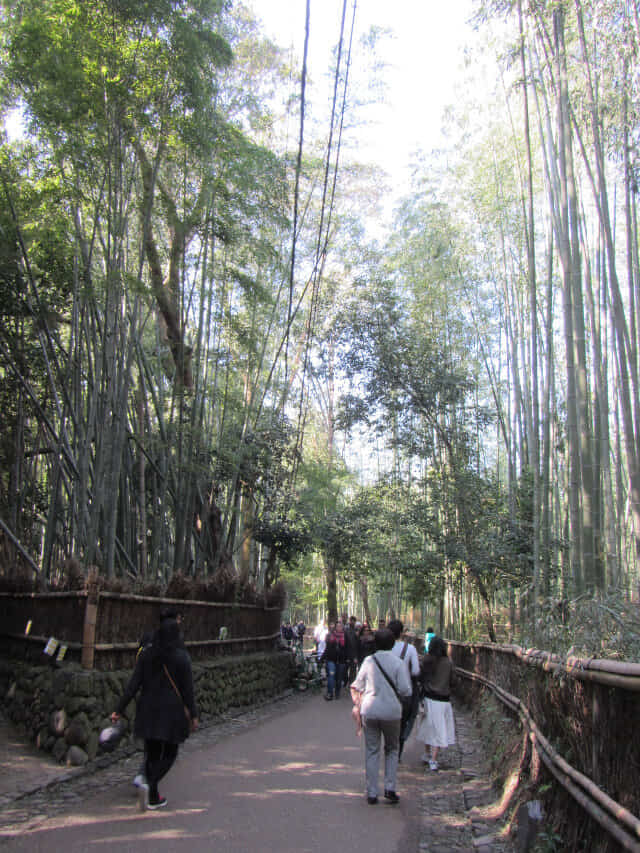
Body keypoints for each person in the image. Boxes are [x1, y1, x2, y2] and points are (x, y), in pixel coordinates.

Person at [111, 617, 199, 810]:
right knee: (169, 753)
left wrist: (119, 709)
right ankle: (149, 784)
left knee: (151, 754)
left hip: (147, 711)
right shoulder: (182, 658)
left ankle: (152, 797)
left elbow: (133, 685)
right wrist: (193, 715)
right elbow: (188, 691)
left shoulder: (147, 655)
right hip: (171, 714)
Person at [350, 629, 412, 805]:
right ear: (393, 644)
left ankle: (371, 792)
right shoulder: (398, 663)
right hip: (392, 711)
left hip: (370, 710)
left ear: (375, 643)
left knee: (372, 750)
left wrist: (357, 704)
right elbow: (406, 690)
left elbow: (357, 685)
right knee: (392, 749)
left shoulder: (368, 661)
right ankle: (390, 788)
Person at [416, 636, 457, 771]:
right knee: (439, 729)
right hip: (442, 700)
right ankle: (433, 759)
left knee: (428, 726)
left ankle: (427, 754)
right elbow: (453, 681)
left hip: (428, 698)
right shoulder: (448, 663)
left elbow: (419, 676)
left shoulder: (427, 660)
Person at [387, 619, 421, 759]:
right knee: (402, 723)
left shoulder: (384, 648)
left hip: (387, 692)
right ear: (402, 633)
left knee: (387, 723)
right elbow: (416, 671)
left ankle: (388, 748)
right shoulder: (410, 649)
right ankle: (397, 752)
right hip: (404, 693)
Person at [321, 621, 345, 700]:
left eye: (340, 626)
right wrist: (322, 658)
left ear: (342, 627)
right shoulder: (330, 635)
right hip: (331, 659)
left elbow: (348, 647)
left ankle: (337, 692)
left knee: (339, 678)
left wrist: (348, 657)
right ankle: (330, 693)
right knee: (331, 676)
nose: (338, 628)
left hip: (341, 660)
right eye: (337, 626)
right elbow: (327, 648)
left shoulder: (345, 636)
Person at [344, 615, 360, 686]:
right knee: (345, 669)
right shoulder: (345, 630)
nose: (352, 622)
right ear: (349, 621)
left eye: (353, 621)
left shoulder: (357, 630)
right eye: (351, 620)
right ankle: (345, 681)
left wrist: (356, 655)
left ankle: (351, 683)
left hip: (354, 653)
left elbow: (358, 643)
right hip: (346, 653)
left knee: (353, 670)